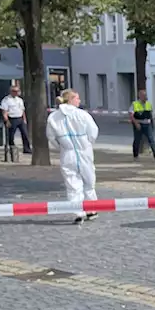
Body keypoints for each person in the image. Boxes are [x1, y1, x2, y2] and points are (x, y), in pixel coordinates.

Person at [48, 89, 99, 223]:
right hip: (84, 151)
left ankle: (78, 212)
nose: (79, 101)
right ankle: (91, 209)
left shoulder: (53, 117)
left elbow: (51, 137)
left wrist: (62, 147)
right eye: (77, 98)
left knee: (72, 183)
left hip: (67, 153)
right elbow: (93, 132)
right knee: (89, 182)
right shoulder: (82, 115)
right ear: (71, 99)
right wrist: (87, 144)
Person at [0, 84, 31, 155]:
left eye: (17, 91)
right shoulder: (6, 100)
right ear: (11, 91)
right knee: (11, 135)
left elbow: (22, 110)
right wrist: (6, 120)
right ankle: (11, 149)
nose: (16, 92)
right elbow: (4, 111)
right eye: (14, 91)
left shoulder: (20, 100)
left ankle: (27, 149)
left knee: (25, 134)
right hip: (12, 119)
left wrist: (24, 119)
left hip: (20, 118)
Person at [130, 89, 155, 162]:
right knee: (137, 140)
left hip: (147, 124)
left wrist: (152, 125)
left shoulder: (148, 104)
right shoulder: (135, 104)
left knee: (151, 139)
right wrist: (136, 124)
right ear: (140, 96)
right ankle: (135, 155)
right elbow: (131, 115)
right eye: (144, 95)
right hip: (138, 124)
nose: (146, 97)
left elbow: (150, 115)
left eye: (146, 95)